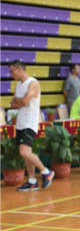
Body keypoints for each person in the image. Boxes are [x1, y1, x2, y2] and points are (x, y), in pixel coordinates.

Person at [8, 60, 54, 191]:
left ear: (20, 69)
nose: (11, 74)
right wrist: (19, 101)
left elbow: (24, 101)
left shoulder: (33, 83)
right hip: (21, 122)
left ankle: (45, 171)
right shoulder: (18, 85)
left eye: (12, 71)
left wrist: (18, 100)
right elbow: (12, 104)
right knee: (27, 153)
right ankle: (32, 181)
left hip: (29, 122)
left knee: (23, 152)